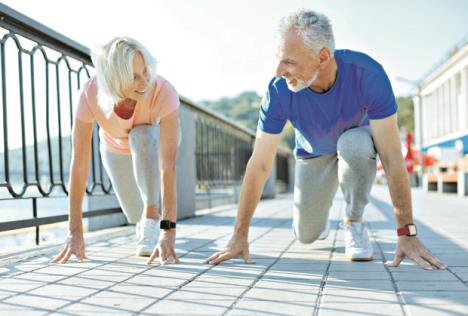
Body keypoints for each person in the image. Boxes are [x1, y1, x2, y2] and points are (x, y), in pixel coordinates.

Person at [207, 9, 446, 270]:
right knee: (305, 235)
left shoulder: (368, 75)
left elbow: (391, 157)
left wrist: (407, 233)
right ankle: (319, 213)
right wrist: (239, 235)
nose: (278, 72)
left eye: (289, 62)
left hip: (355, 145)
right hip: (313, 153)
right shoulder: (278, 91)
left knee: (353, 144)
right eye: (278, 60)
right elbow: (260, 164)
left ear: (322, 57)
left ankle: (354, 221)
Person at [52, 37, 179, 265]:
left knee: (142, 135)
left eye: (146, 72)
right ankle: (144, 218)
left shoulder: (163, 91)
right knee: (132, 213)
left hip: (151, 141)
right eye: (134, 77)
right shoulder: (90, 93)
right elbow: (79, 163)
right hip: (113, 147)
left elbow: (167, 166)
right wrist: (75, 230)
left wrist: (168, 230)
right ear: (115, 79)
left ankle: (152, 216)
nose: (144, 82)